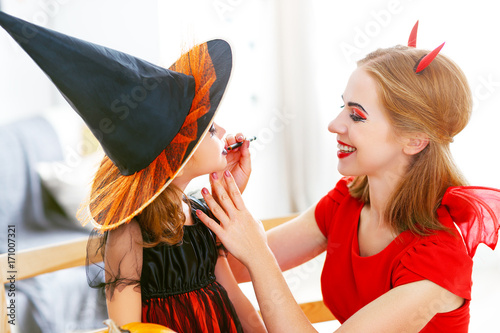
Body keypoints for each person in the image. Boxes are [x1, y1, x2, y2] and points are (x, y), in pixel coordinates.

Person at [197, 22, 500, 332]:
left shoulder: (436, 261)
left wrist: (258, 253)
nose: (334, 124)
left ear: (414, 140)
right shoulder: (347, 201)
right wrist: (226, 195)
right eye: (343, 106)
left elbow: (254, 260)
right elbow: (227, 268)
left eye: (356, 115)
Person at [0, 11, 266, 333]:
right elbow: (126, 328)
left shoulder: (202, 217)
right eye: (210, 130)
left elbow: (236, 302)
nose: (222, 129)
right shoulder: (129, 236)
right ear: (178, 152)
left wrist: (228, 193)